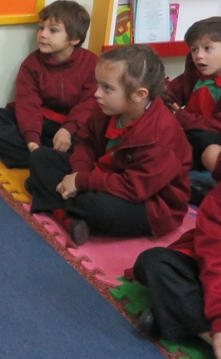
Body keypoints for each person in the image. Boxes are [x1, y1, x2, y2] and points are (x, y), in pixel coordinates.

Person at [25, 45, 191, 246]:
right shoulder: (106, 108)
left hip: (149, 203)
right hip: (102, 177)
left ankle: (56, 204)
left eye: (107, 88)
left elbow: (134, 188)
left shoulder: (162, 135)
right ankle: (69, 214)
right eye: (98, 84)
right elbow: (85, 143)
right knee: (41, 157)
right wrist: (78, 174)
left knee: (96, 206)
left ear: (139, 94)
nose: (97, 93)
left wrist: (82, 182)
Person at [0, 0, 99, 169]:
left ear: (74, 38)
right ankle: (44, 158)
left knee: (90, 147)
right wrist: (32, 142)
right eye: (41, 28)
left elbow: (89, 105)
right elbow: (28, 103)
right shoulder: (32, 64)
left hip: (71, 128)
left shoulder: (92, 64)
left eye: (53, 30)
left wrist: (68, 130)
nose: (42, 34)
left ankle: (28, 156)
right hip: (40, 123)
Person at [132, 182, 221, 359]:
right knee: (155, 263)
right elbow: (214, 262)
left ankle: (172, 317)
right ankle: (207, 335)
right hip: (209, 274)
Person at [163, 17, 221, 204]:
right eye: (194, 49)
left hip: (213, 138)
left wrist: (182, 118)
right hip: (192, 133)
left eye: (207, 48)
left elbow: (217, 125)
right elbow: (171, 94)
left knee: (203, 139)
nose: (199, 56)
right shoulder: (194, 74)